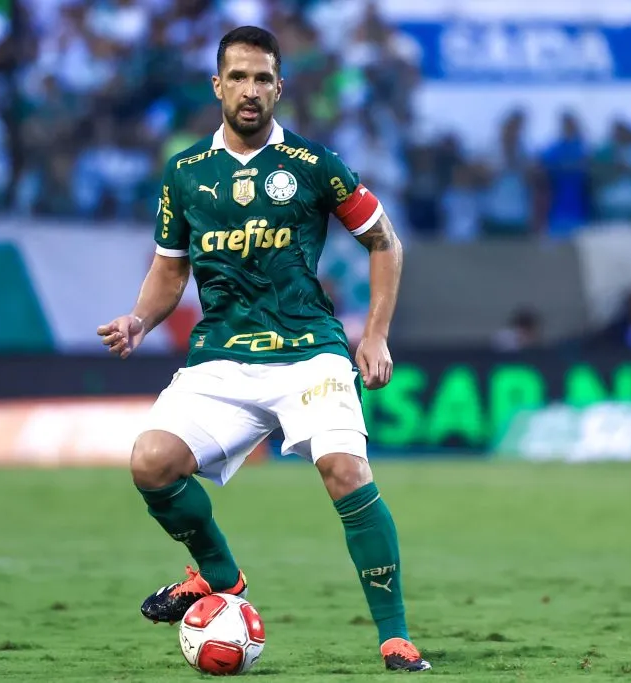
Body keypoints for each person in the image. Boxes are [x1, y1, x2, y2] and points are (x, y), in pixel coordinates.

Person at [96, 26, 429, 673]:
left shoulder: (313, 165)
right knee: (151, 461)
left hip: (309, 350)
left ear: (280, 87)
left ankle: (394, 634)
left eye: (263, 79)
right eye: (239, 77)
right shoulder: (187, 174)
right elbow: (170, 270)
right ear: (217, 85)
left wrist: (376, 333)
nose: (251, 91)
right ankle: (219, 573)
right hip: (221, 356)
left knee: (345, 469)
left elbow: (385, 241)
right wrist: (140, 318)